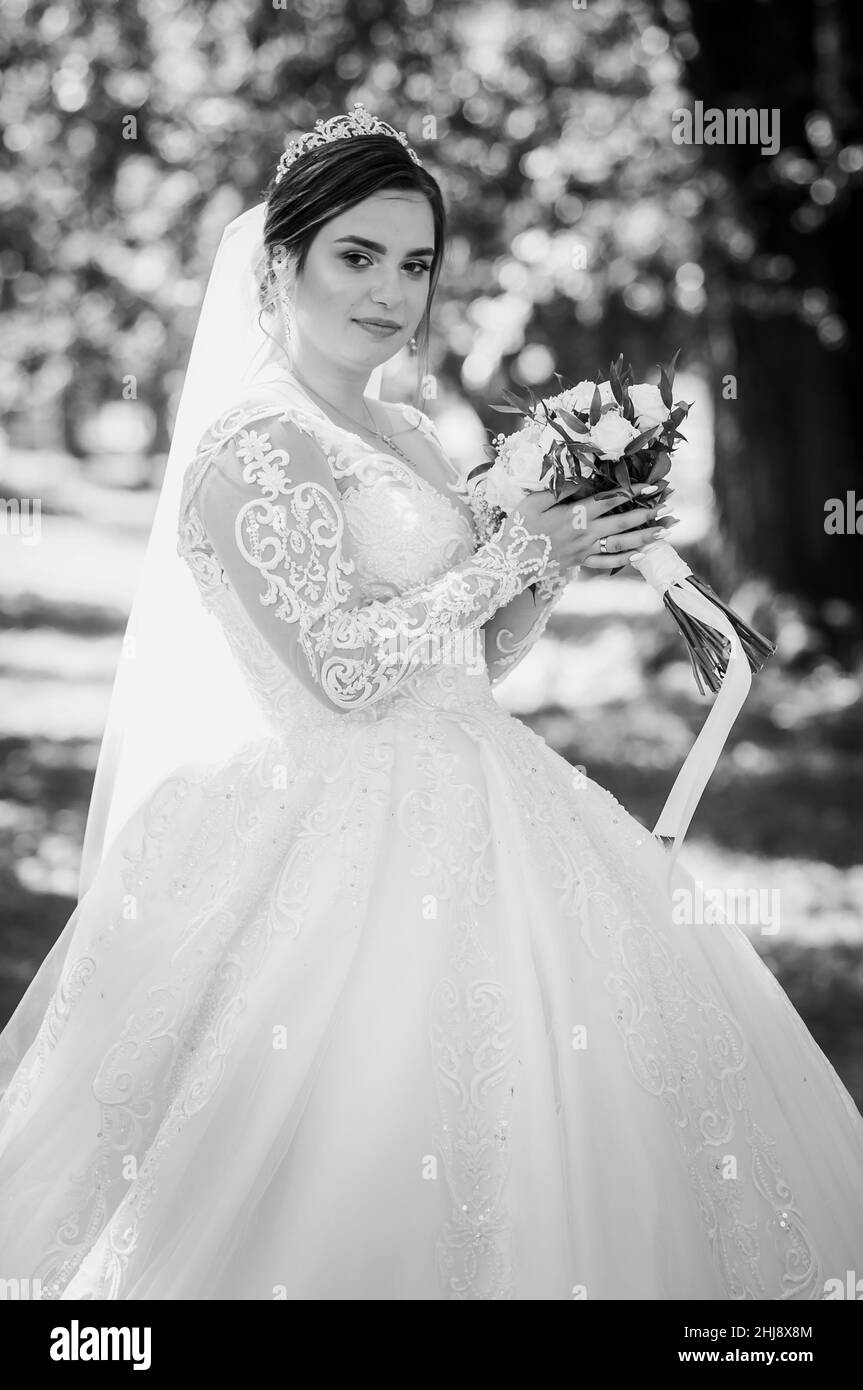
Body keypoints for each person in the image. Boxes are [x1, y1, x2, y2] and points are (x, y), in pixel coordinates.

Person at [1, 106, 861, 1302]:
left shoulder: (403, 429)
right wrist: (515, 553)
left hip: (491, 786)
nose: (389, 293)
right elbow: (338, 674)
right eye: (356, 256)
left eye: (414, 264)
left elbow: (473, 657)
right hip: (329, 822)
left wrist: (557, 553)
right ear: (279, 261)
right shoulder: (251, 448)